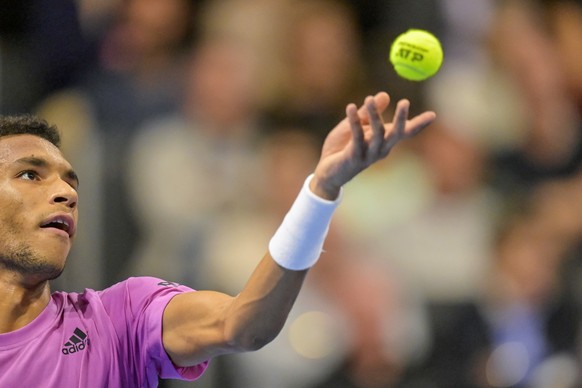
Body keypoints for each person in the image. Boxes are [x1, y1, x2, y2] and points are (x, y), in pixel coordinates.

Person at [0, 92, 435, 387]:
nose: (66, 192)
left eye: (69, 180)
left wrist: (319, 190)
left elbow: (241, 325)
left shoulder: (121, 318)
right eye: (29, 174)